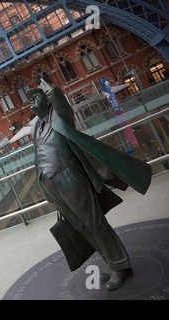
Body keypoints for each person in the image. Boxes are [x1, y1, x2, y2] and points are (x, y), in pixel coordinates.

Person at [26, 80, 152, 290]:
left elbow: (59, 98)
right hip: (52, 185)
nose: (30, 102)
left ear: (47, 101)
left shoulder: (59, 116)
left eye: (35, 97)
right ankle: (113, 263)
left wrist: (47, 86)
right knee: (81, 226)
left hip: (70, 178)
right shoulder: (36, 126)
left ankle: (120, 265)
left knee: (94, 223)